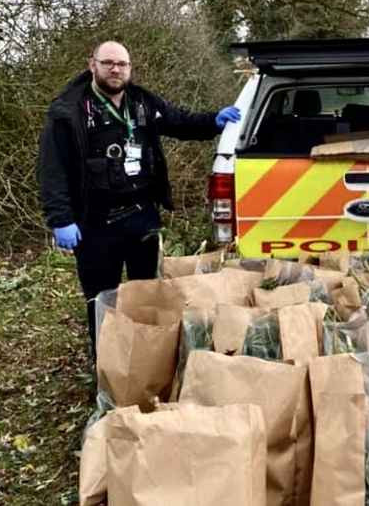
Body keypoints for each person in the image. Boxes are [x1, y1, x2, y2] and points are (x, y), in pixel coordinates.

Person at [38, 40, 241, 358]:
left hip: (141, 217)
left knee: (146, 295)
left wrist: (214, 121)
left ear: (130, 68)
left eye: (122, 64)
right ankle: (107, 367)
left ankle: (144, 362)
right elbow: (53, 170)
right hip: (94, 223)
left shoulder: (142, 102)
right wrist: (60, 218)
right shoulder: (68, 111)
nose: (115, 69)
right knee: (101, 300)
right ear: (93, 65)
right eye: (108, 63)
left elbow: (179, 121)